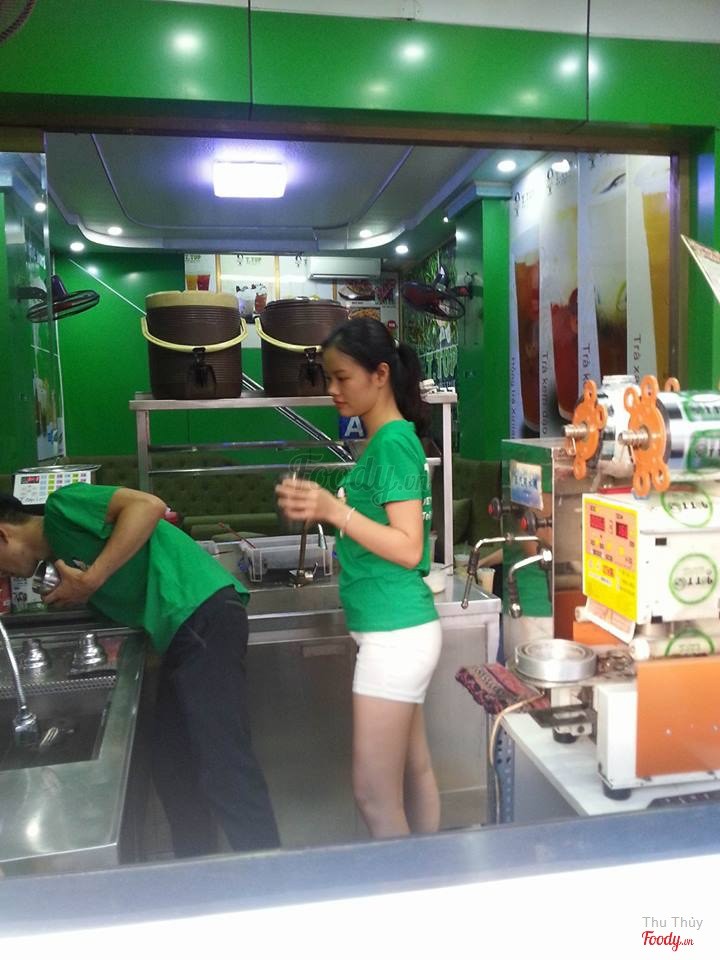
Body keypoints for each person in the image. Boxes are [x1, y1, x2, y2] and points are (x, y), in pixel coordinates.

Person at [0, 485, 279, 858]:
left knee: (224, 763)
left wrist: (92, 580)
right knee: (172, 765)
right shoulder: (62, 557)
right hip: (182, 631)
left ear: (3, 535)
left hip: (201, 613)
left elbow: (148, 505)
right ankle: (196, 870)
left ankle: (272, 875)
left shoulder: (62, 508)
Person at [276, 316, 442, 840]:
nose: (333, 389)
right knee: (414, 771)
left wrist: (335, 510)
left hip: (396, 634)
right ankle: (430, 871)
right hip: (396, 629)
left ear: (380, 374)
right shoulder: (390, 441)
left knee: (373, 795)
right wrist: (329, 510)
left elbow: (408, 546)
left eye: (342, 377)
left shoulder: (392, 443)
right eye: (329, 377)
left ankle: (408, 886)